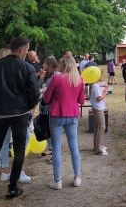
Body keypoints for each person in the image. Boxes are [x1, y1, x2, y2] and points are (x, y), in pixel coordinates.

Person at [0, 36, 40, 199]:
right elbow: (35, 93)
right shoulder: (27, 67)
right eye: (26, 50)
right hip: (19, 114)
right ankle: (12, 188)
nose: (26, 52)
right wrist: (29, 109)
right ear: (22, 50)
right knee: (18, 150)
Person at [43, 55, 85, 190]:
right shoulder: (79, 79)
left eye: (60, 63)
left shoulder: (56, 78)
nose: (58, 66)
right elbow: (82, 100)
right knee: (74, 146)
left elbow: (46, 99)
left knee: (56, 147)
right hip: (72, 115)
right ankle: (77, 177)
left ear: (65, 65)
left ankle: (57, 180)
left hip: (56, 114)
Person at [39, 57, 60, 159]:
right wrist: (40, 79)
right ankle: (51, 149)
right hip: (44, 105)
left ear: (49, 65)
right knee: (46, 128)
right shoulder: (47, 76)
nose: (43, 65)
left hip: (51, 106)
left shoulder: (56, 76)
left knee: (52, 129)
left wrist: (44, 90)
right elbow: (38, 87)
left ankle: (54, 152)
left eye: (45, 63)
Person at [89, 71, 109, 156]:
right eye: (102, 76)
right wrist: (106, 92)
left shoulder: (94, 85)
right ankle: (99, 149)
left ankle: (97, 146)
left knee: (97, 127)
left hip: (97, 108)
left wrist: (102, 86)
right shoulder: (95, 86)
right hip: (98, 108)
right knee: (102, 127)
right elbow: (99, 98)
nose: (103, 78)